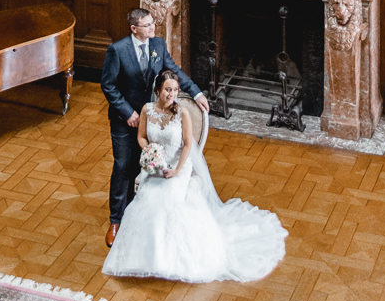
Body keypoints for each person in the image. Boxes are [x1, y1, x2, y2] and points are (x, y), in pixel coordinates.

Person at [103, 69, 287, 283]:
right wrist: (151, 152)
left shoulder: (182, 113)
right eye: (167, 90)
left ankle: (170, 259)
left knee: (167, 202)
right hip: (155, 167)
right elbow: (142, 137)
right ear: (158, 90)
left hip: (178, 167)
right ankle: (145, 258)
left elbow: (188, 144)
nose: (171, 94)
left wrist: (177, 170)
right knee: (146, 201)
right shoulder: (147, 110)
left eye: (174, 90)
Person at [101, 8, 208, 248]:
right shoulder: (117, 51)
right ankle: (116, 220)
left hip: (152, 118)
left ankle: (137, 214)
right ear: (134, 28)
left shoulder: (157, 45)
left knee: (144, 167)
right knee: (123, 166)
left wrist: (196, 92)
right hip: (124, 119)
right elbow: (108, 85)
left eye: (153, 24)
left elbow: (174, 72)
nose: (153, 28)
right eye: (147, 25)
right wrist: (128, 112)